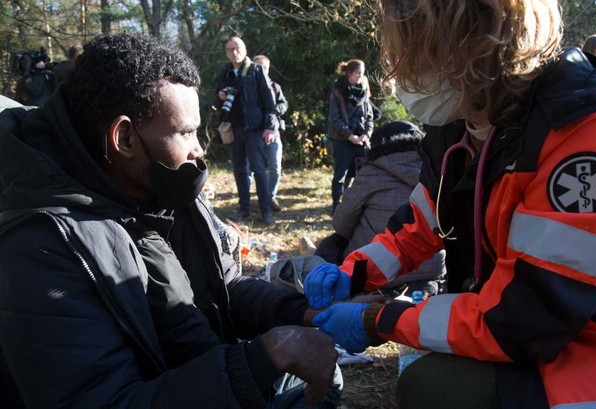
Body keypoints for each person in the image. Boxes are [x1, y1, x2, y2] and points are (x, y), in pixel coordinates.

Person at [0, 32, 343, 409]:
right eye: (186, 132)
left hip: (194, 373)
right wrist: (264, 358)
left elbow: (224, 284)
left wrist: (306, 315)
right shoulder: (41, 244)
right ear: (125, 137)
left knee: (324, 373)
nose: (200, 149)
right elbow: (102, 400)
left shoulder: (162, 184)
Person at [304, 0, 596, 408]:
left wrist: (377, 320)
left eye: (417, 50)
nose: (404, 72)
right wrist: (352, 273)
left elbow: (518, 319)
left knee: (432, 386)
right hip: (521, 329)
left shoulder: (584, 131)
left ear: (476, 45)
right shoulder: (460, 126)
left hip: (589, 354)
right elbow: (417, 226)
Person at [316, 120, 447, 295]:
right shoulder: (439, 170)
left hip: (372, 271)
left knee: (332, 243)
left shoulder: (371, 171)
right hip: (432, 270)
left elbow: (341, 224)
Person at [214, 37, 277, 226]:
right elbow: (217, 104)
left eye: (237, 48)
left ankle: (266, 211)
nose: (234, 52)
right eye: (230, 49)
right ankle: (244, 210)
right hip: (234, 128)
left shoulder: (256, 70)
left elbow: (269, 101)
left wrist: (269, 127)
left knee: (259, 170)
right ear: (226, 52)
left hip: (255, 128)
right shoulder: (224, 73)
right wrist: (220, 96)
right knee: (240, 170)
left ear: (245, 48)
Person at [327, 59, 374, 213]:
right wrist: (349, 136)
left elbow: (369, 117)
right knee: (340, 175)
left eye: (362, 73)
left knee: (358, 176)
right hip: (342, 139)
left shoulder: (364, 90)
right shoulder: (338, 90)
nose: (361, 76)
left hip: (361, 141)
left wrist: (366, 134)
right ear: (350, 73)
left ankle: (352, 206)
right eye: (358, 73)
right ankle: (336, 206)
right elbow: (335, 119)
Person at [253, 54, 289, 213]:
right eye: (259, 67)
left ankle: (270, 196)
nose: (262, 71)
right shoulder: (248, 87)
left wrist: (274, 109)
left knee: (275, 166)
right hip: (253, 133)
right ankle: (258, 198)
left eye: (265, 68)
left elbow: (284, 104)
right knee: (252, 169)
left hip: (274, 132)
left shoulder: (275, 87)